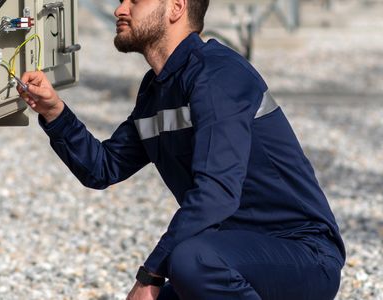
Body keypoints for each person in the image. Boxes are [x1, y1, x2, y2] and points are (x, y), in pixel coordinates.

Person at [17, 0, 345, 299]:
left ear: (176, 7)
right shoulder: (157, 89)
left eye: (135, 1)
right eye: (120, 2)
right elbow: (102, 168)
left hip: (301, 254)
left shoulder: (219, 74)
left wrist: (150, 275)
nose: (120, 10)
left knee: (189, 260)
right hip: (229, 255)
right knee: (188, 262)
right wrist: (54, 112)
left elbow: (216, 192)